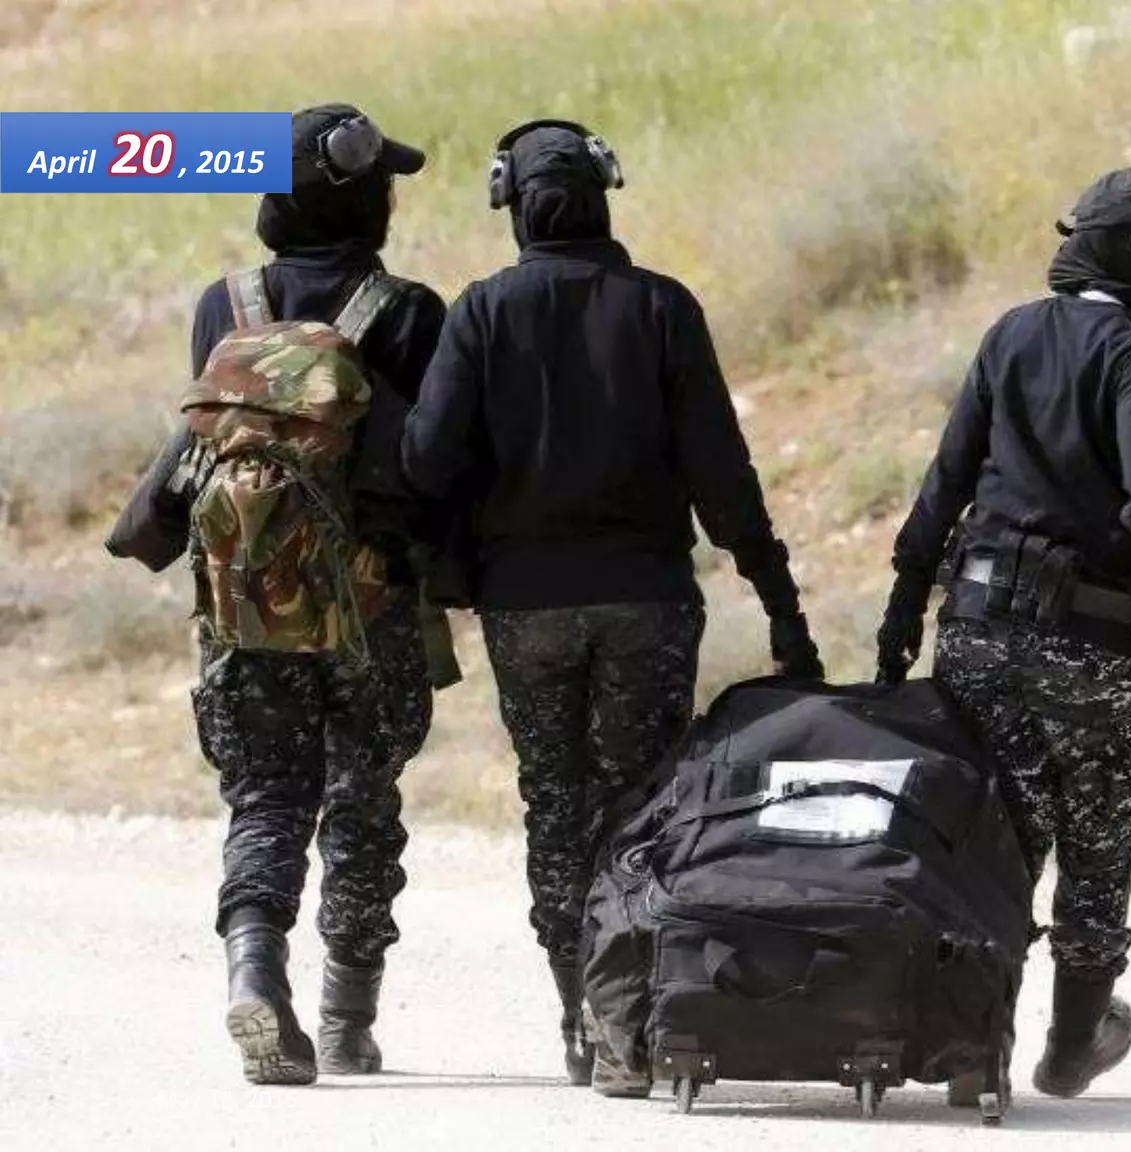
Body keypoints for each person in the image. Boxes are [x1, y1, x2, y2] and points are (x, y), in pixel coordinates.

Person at [400, 119, 824, 1093]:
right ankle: (627, 1020)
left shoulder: (480, 312)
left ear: (509, 203)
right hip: (647, 601)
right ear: (602, 193)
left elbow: (424, 461)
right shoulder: (662, 308)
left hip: (525, 608)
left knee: (555, 805)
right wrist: (780, 603)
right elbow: (723, 474)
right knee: (638, 805)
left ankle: (579, 1017)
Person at [876, 169, 1131, 1101]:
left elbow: (944, 481)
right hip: (1091, 642)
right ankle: (1073, 1044)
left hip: (977, 631)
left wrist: (904, 605)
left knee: (991, 840)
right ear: (1128, 251)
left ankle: (973, 1047)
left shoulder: (1010, 334)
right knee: (1097, 843)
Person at [105, 104, 446, 1085]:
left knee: (264, 797)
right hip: (370, 608)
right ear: (363, 202)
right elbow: (433, 466)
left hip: (243, 603)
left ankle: (255, 972)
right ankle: (346, 1020)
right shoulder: (407, 312)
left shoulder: (224, 306)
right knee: (362, 802)